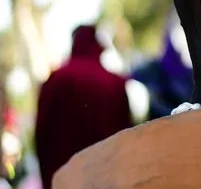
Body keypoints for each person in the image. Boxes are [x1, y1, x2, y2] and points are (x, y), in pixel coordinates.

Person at [34, 25, 133, 189]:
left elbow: (42, 134)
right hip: (108, 178)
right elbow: (126, 132)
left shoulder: (55, 81)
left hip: (65, 178)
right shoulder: (114, 82)